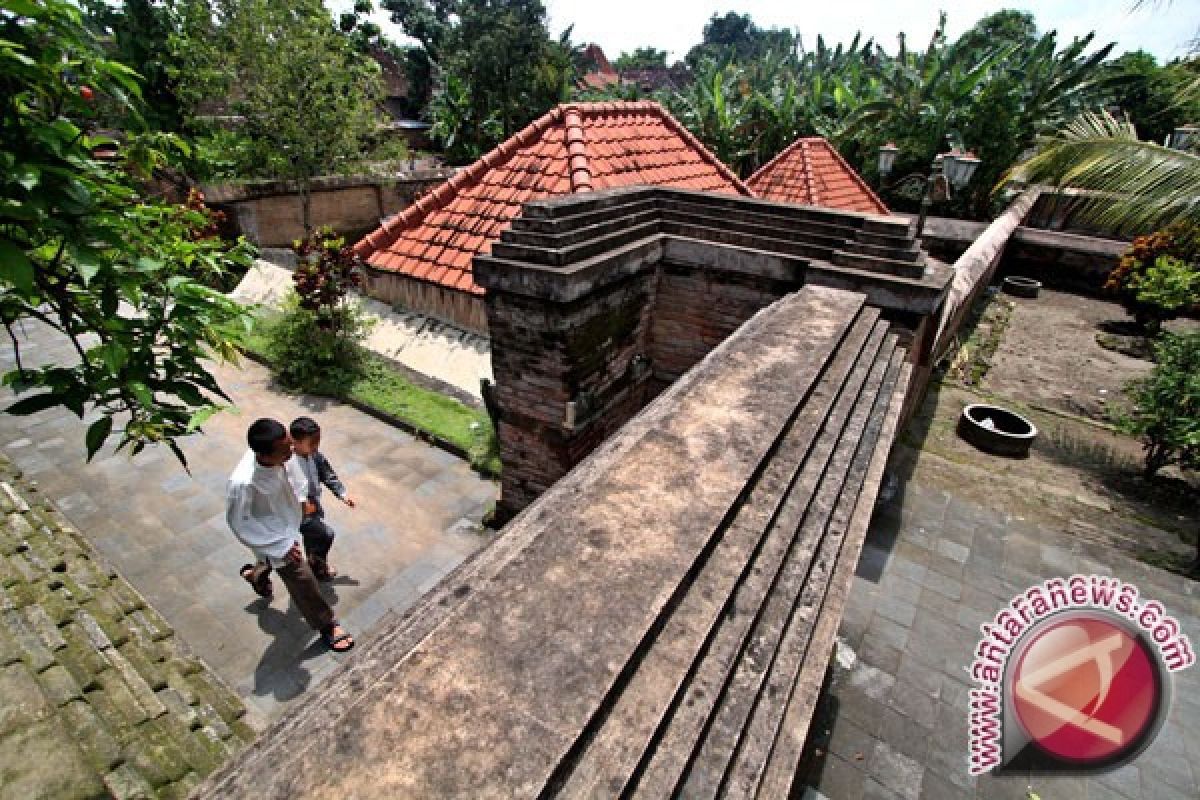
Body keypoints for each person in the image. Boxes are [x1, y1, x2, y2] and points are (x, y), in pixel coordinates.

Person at [225, 418, 354, 652]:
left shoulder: (283, 450)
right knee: (301, 578)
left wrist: (304, 502)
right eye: (286, 450)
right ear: (264, 455)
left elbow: (298, 477)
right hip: (272, 536)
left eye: (291, 443)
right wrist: (280, 546)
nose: (292, 451)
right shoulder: (242, 484)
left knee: (316, 538)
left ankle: (256, 575)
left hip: (292, 519)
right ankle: (327, 625)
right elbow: (241, 524)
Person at [289, 416, 356, 581]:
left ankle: (315, 564)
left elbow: (327, 474)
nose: (316, 447)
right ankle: (317, 565)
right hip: (298, 511)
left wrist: (342, 494)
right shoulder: (287, 461)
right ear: (294, 441)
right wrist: (302, 506)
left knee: (313, 537)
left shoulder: (315, 456)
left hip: (313, 505)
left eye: (317, 442)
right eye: (311, 443)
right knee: (326, 534)